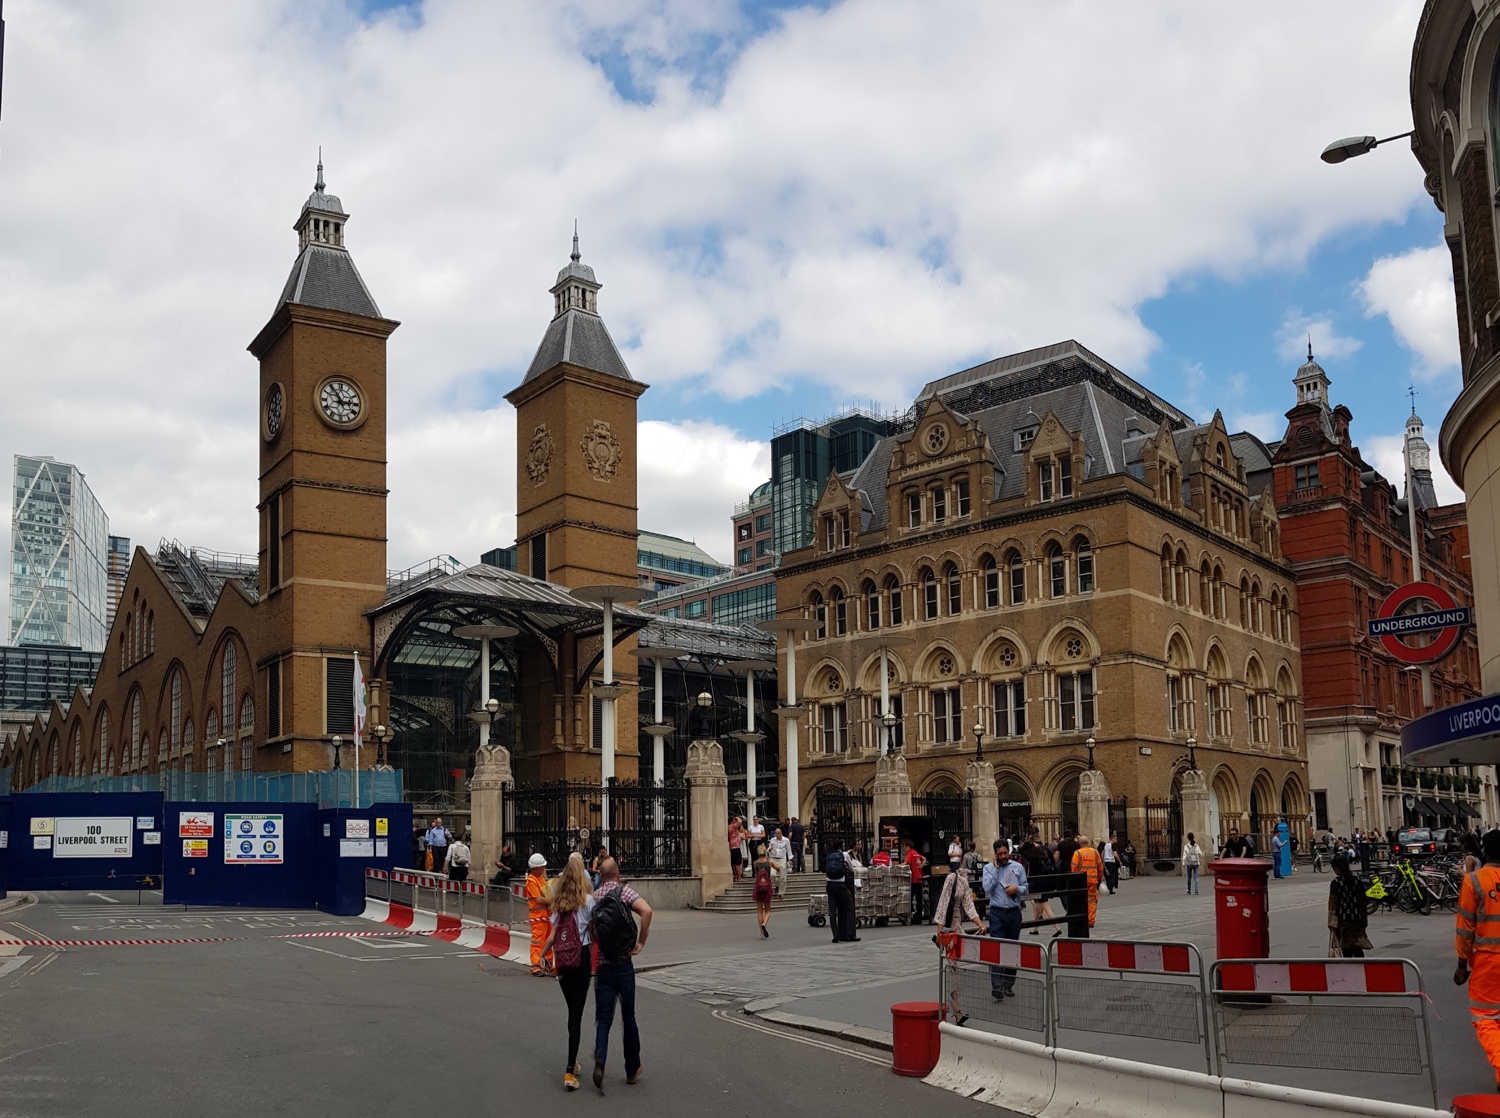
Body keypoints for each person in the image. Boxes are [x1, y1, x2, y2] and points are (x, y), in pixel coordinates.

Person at [591, 856, 652, 1092]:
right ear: (617, 875)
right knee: (629, 1018)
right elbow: (647, 911)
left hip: (604, 967)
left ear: (600, 876)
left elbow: (591, 931)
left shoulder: (594, 898)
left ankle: (600, 1057)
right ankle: (632, 1069)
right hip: (624, 964)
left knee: (603, 1021)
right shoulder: (624, 892)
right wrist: (640, 942)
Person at [539, 852, 594, 1091]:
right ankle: (569, 1070)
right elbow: (594, 931)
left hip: (562, 960)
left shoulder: (558, 904)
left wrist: (543, 955)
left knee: (572, 1011)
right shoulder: (588, 902)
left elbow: (551, 935)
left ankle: (574, 1060)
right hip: (580, 959)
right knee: (576, 1015)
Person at [982, 840, 1028, 998]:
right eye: (1000, 854)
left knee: (1012, 948)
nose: (1003, 857)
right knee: (997, 947)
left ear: (1009, 852)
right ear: (995, 854)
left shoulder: (1017, 867)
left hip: (1013, 912)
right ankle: (997, 985)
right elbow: (987, 888)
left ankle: (1009, 983)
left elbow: (1025, 887)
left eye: (1005, 853)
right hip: (996, 912)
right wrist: (995, 871)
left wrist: (1017, 889)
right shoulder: (988, 868)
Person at [1328, 853, 1370, 959]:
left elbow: (1333, 904)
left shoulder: (1336, 883)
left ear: (1336, 868)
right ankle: (1361, 969)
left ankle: (1350, 972)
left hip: (1343, 920)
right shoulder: (1357, 881)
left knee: (1346, 949)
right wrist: (1364, 919)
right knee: (1357, 948)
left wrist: (1331, 923)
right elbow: (1363, 900)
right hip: (1357, 919)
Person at [933, 854, 984, 935]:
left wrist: (980, 924)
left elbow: (969, 906)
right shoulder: (951, 878)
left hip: (957, 923)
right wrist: (939, 932)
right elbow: (943, 905)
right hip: (948, 924)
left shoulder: (964, 881)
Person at [1018, 828, 1056, 935]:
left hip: (1036, 881)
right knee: (1037, 904)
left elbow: (1021, 850)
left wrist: (1028, 843)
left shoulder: (1033, 850)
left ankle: (1056, 927)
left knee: (1042, 904)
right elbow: (1053, 862)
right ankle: (1035, 928)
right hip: (1046, 880)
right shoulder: (1046, 849)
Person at [524, 853, 553, 976]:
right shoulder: (531, 881)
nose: (543, 869)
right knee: (537, 940)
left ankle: (548, 963)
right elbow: (539, 899)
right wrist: (554, 901)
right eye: (541, 867)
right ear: (535, 868)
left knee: (547, 940)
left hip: (546, 916)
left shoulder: (540, 878)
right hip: (538, 917)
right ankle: (535, 965)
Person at [824, 838, 858, 943]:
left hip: (829, 884)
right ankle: (849, 934)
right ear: (841, 846)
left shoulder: (829, 855)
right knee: (849, 906)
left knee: (833, 910)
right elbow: (851, 868)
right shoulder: (844, 855)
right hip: (841, 884)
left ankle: (835, 935)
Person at [1071, 831, 1101, 929]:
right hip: (1092, 880)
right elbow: (1100, 867)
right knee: (1092, 901)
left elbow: (1074, 868)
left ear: (1080, 843)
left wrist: (1074, 880)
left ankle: (1081, 918)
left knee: (1081, 900)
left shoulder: (1077, 853)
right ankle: (1090, 921)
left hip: (1081, 881)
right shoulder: (1095, 852)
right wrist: (1100, 878)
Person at [751, 843, 774, 938]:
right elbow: (778, 868)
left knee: (759, 910)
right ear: (765, 852)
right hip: (767, 887)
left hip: (758, 887)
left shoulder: (755, 863)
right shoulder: (769, 863)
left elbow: (756, 873)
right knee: (768, 910)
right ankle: (764, 923)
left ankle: (761, 932)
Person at [903, 839, 928, 925]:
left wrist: (898, 866)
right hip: (919, 877)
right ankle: (919, 916)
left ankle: (912, 913)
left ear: (908, 847)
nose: (904, 850)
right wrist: (921, 865)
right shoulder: (916, 853)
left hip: (914, 878)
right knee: (919, 898)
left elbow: (906, 863)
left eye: (905, 848)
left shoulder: (910, 854)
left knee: (909, 897)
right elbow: (924, 858)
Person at [767, 826, 791, 896]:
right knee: (772, 875)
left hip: (782, 858)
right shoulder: (772, 840)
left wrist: (790, 859)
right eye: (776, 833)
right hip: (773, 858)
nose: (777, 835)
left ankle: (781, 893)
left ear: (781, 833)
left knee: (783, 877)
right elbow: (768, 849)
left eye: (778, 833)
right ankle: (778, 885)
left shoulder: (786, 840)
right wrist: (769, 850)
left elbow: (789, 850)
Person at [728, 816, 744, 883]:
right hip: (736, 846)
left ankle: (736, 877)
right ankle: (739, 877)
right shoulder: (733, 826)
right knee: (738, 862)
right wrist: (737, 817)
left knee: (734, 863)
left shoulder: (728, 827)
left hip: (732, 846)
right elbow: (740, 821)